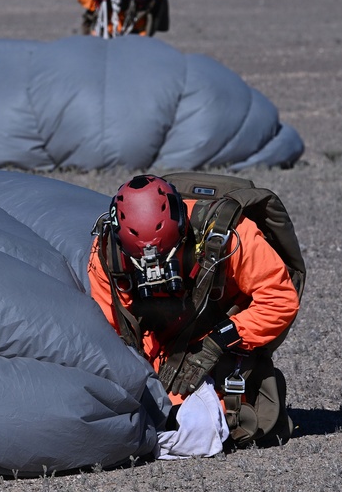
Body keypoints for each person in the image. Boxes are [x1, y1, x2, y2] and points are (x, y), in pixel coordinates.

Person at [87, 174, 300, 449]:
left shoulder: (230, 235)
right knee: (147, 411)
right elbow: (113, 331)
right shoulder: (107, 253)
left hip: (223, 332)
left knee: (231, 420)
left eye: (166, 256)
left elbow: (280, 299)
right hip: (159, 339)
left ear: (182, 228)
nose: (155, 270)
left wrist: (219, 341)